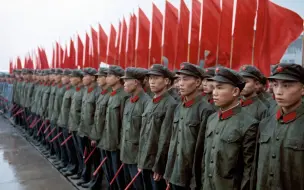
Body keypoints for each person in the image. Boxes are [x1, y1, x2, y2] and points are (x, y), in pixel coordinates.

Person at [197, 67, 258, 190]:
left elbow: (249, 169)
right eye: (214, 88)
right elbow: (205, 158)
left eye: (220, 88)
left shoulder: (249, 124)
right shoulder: (212, 119)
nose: (214, 92)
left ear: (235, 91)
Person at [164, 63, 215, 190]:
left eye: (185, 79)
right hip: (175, 172)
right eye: (179, 79)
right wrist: (169, 172)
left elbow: (203, 151)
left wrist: (196, 180)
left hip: (191, 177)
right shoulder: (179, 107)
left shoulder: (206, 110)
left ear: (198, 82)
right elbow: (173, 142)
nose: (180, 83)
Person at [256, 63, 304, 190]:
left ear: (302, 89)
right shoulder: (265, 124)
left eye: (286, 85)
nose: (278, 91)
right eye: (275, 85)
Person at [137, 64, 177, 190]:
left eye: (156, 78)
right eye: (150, 78)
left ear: (166, 81)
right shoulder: (151, 102)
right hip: (146, 159)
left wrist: (159, 166)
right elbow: (143, 134)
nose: (152, 82)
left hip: (156, 163)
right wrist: (141, 160)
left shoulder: (170, 104)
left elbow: (165, 138)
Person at [99, 65, 129, 189]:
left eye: (109, 75)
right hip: (108, 140)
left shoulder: (124, 95)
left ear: (118, 78)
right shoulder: (112, 94)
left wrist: (120, 143)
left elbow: (123, 122)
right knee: (110, 171)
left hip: (116, 143)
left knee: (119, 174)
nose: (106, 78)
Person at [120, 67, 151, 189]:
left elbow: (147, 134)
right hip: (126, 152)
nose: (124, 83)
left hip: (137, 156)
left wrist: (142, 159)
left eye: (127, 80)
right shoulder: (129, 101)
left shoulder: (147, 102)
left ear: (136, 82)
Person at [87, 67, 111, 189]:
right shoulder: (102, 94)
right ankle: (95, 181)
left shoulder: (109, 95)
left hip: (106, 137)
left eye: (101, 76)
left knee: (108, 167)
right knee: (101, 163)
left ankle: (98, 182)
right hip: (98, 135)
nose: (98, 79)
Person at [77, 67, 99, 187]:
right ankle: (87, 177)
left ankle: (96, 182)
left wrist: (94, 135)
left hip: (92, 132)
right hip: (84, 130)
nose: (83, 78)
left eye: (86, 76)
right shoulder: (87, 91)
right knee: (86, 157)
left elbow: (97, 116)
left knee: (96, 159)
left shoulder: (97, 92)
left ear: (93, 78)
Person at [68, 69, 85, 180]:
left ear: (79, 78)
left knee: (84, 155)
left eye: (72, 77)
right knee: (78, 152)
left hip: (81, 129)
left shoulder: (84, 91)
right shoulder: (76, 91)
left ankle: (85, 175)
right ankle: (79, 171)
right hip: (74, 126)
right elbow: (72, 110)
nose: (70, 79)